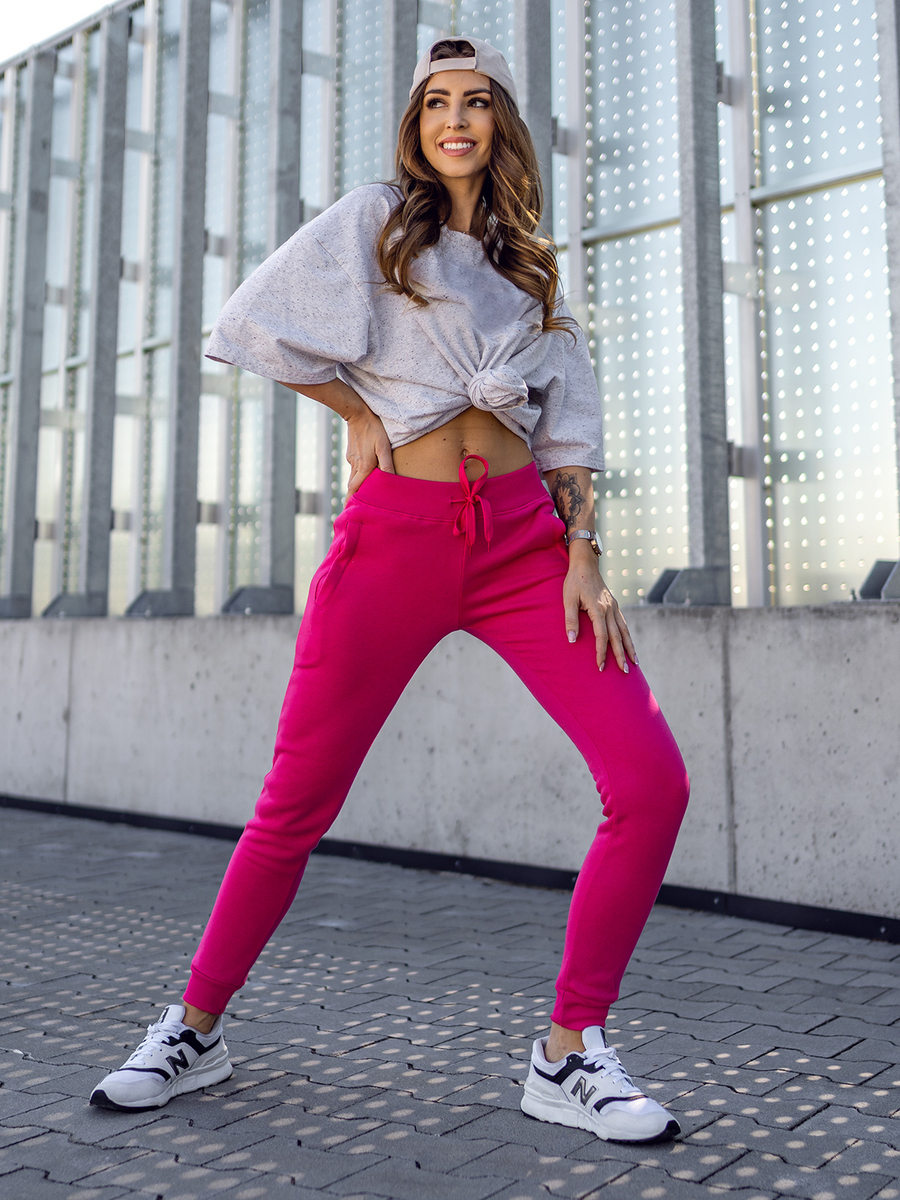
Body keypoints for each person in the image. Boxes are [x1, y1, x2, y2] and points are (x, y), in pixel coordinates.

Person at [90, 36, 689, 1144]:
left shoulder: (531, 266)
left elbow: (567, 429)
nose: (455, 119)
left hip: (524, 546)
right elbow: (252, 321)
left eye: (477, 101)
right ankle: (194, 1028)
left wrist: (585, 552)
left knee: (652, 781)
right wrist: (357, 410)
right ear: (415, 125)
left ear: (502, 124)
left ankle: (569, 1050)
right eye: (436, 103)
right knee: (295, 802)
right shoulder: (376, 221)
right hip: (396, 539)